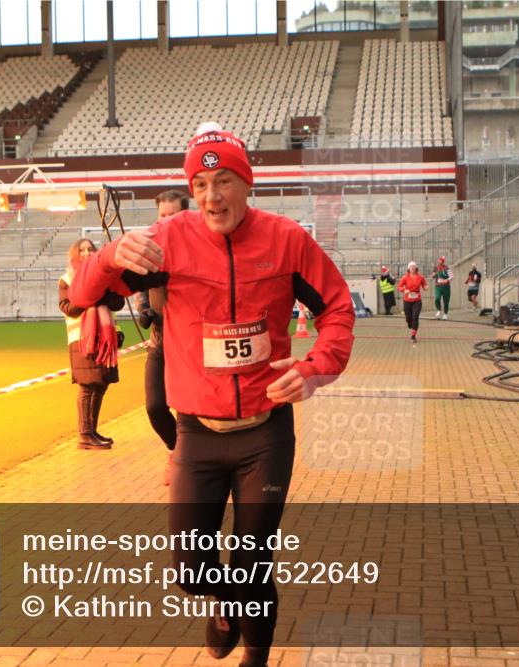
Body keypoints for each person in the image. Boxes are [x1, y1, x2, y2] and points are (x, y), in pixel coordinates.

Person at [68, 124, 355, 667]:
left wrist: (317, 366)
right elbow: (83, 296)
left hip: (265, 435)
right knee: (189, 567)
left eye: (224, 181)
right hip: (197, 434)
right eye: (200, 183)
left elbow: (336, 311)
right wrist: (109, 257)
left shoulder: (287, 240)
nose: (211, 196)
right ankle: (225, 603)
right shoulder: (168, 240)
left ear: (247, 184)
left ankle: (255, 657)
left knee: (253, 564)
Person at [138, 190, 190, 486]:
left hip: (190, 346)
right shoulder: (151, 251)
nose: (166, 221)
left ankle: (185, 460)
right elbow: (142, 289)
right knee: (155, 406)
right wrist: (146, 310)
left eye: (173, 215)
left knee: (187, 410)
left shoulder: (201, 250)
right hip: (160, 342)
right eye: (162, 215)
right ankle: (174, 449)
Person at [58, 238, 124, 450]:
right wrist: (89, 295)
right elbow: (67, 307)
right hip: (83, 339)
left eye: (90, 249)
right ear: (75, 254)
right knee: (87, 386)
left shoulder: (105, 277)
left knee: (101, 383)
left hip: (103, 338)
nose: (87, 253)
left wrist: (100, 290)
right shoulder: (67, 279)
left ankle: (92, 430)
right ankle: (84, 435)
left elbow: (118, 302)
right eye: (82, 250)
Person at [397, 260, 428, 343]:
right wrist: (404, 290)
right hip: (407, 300)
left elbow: (424, 285)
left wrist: (425, 287)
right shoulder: (405, 277)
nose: (412, 268)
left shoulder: (420, 277)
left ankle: (413, 336)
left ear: (416, 268)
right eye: (411, 267)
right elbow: (399, 287)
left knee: (415, 317)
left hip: (417, 300)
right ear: (408, 268)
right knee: (408, 318)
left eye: (414, 267)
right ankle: (410, 323)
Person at [431, 255, 452, 320]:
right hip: (438, 286)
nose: (438, 261)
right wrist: (433, 275)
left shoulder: (446, 268)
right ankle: (438, 310)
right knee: (437, 298)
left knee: (446, 301)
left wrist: (446, 280)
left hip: (446, 287)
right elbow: (433, 276)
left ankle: (445, 314)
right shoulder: (436, 268)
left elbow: (451, 276)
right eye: (438, 260)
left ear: (442, 261)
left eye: (440, 260)